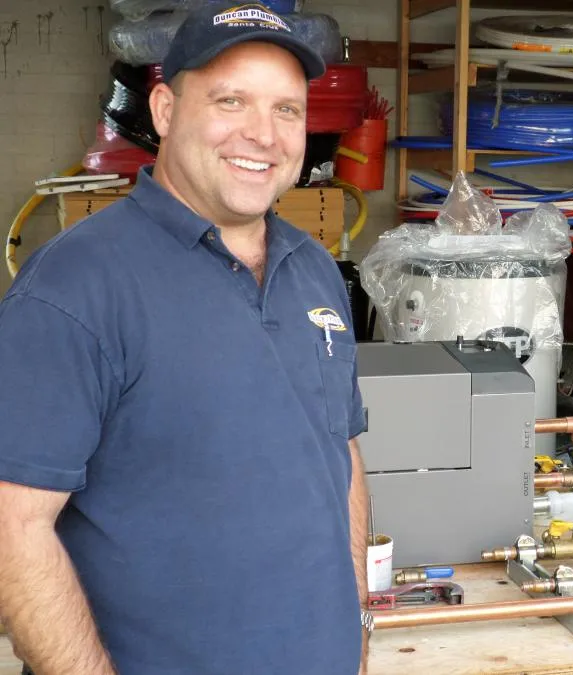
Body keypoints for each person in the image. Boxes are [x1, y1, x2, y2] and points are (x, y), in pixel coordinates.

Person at [0, 3, 372, 674]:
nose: (263, 134)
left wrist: (355, 632)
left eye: (287, 110)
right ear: (166, 110)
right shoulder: (75, 285)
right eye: (231, 100)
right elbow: (11, 528)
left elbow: (338, 461)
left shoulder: (315, 269)